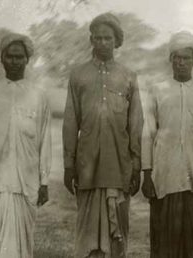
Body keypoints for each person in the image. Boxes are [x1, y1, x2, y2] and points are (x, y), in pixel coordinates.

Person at [62, 13, 143, 258]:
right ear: (91, 40)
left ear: (117, 41)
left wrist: (137, 165)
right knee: (87, 233)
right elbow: (70, 122)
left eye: (108, 38)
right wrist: (69, 165)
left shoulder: (129, 76)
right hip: (87, 165)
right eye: (97, 38)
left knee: (117, 230)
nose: (103, 43)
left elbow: (136, 123)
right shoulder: (78, 75)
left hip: (119, 166)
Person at [140, 31, 193, 258]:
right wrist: (147, 174)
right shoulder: (157, 90)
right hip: (163, 177)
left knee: (192, 240)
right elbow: (148, 134)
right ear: (170, 59)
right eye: (176, 57)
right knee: (162, 241)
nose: (181, 62)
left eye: (186, 57)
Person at [0, 32, 51, 258]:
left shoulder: (39, 96)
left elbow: (45, 141)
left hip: (28, 182)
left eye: (20, 57)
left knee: (25, 241)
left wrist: (44, 181)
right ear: (2, 59)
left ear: (28, 59)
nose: (15, 62)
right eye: (10, 56)